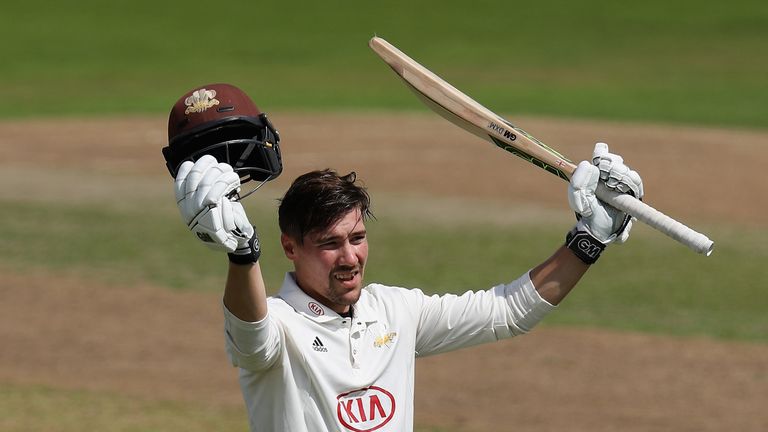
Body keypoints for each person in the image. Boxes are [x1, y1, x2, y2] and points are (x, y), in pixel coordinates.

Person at [163, 83, 643, 432]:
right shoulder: (280, 327)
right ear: (291, 247)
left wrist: (589, 240)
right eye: (330, 244)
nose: (350, 257)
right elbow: (250, 336)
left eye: (357, 237)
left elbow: (509, 311)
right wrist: (243, 255)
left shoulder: (396, 312)